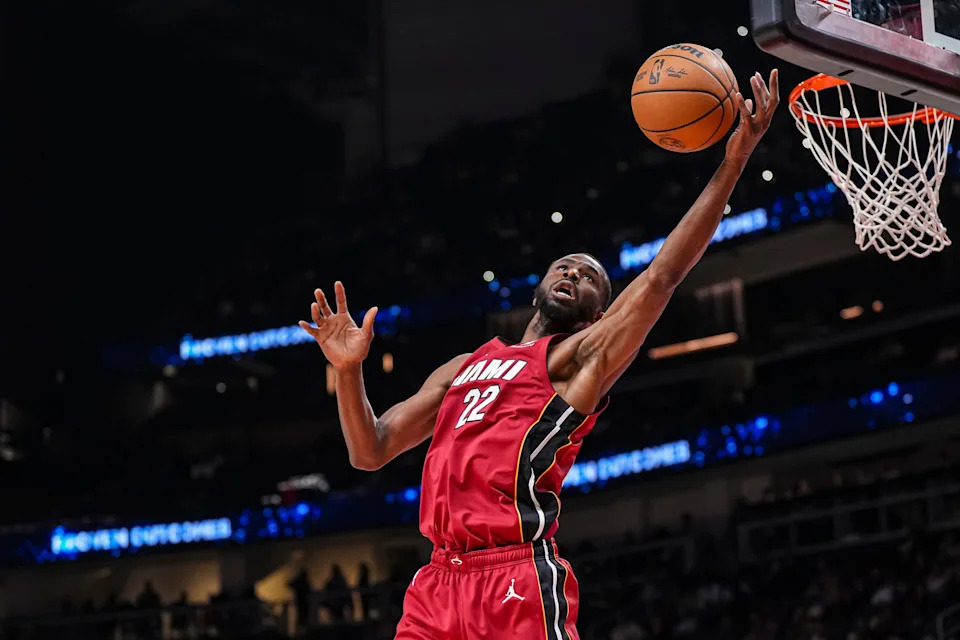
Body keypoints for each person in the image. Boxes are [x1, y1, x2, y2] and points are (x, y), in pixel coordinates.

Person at [299, 70, 780, 640]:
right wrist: (349, 372)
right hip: (436, 581)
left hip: (515, 574)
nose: (574, 272)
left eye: (591, 276)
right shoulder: (461, 367)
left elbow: (663, 275)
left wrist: (734, 161)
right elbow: (369, 450)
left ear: (599, 313)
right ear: (538, 287)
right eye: (566, 265)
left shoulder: (578, 359)